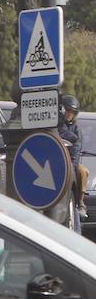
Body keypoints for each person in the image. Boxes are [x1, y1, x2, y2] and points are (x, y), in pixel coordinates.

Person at [58, 95, 86, 227]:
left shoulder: (77, 130)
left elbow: (76, 151)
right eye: (67, 110)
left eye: (72, 112)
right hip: (56, 162)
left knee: (82, 171)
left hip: (70, 164)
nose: (69, 114)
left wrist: (71, 171)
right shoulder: (56, 124)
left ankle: (81, 203)